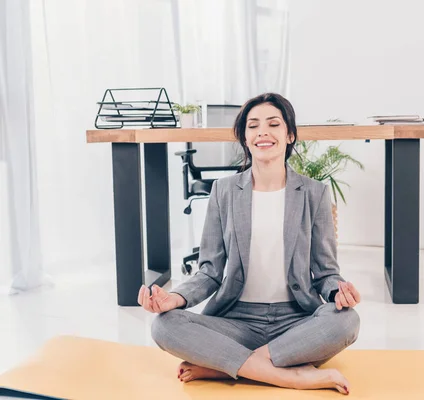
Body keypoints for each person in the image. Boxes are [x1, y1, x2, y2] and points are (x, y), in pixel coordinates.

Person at [138, 92, 361, 395]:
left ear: (290, 134)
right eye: (253, 126)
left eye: (273, 124)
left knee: (346, 322)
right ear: (245, 137)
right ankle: (289, 375)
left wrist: (338, 292)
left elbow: (325, 273)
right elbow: (209, 272)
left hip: (296, 322)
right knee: (164, 325)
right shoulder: (224, 191)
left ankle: (228, 366)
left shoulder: (314, 193)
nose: (263, 133)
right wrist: (174, 299)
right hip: (236, 321)